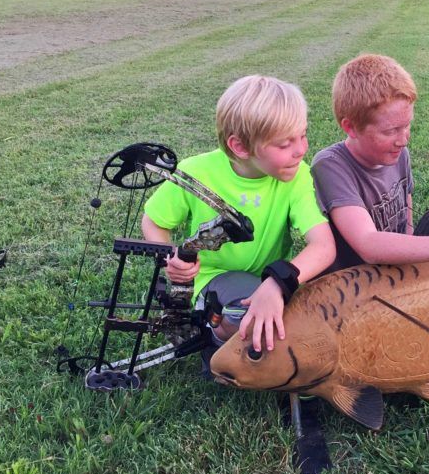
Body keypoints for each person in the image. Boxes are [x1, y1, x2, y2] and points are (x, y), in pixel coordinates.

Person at [141, 75, 335, 357]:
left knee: (306, 322)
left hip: (269, 280)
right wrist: (169, 255)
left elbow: (324, 245)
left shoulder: (297, 176)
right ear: (241, 147)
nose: (301, 149)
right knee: (250, 321)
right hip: (214, 278)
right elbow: (154, 221)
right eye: (285, 144)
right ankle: (216, 341)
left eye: (303, 135)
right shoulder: (196, 172)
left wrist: (276, 284)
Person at [311, 54, 429, 272]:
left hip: (395, 271)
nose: (403, 139)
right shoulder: (330, 166)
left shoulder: (398, 153)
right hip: (353, 283)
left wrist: (411, 245)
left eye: (407, 125)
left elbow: (405, 203)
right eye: (390, 131)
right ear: (350, 127)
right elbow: (367, 243)